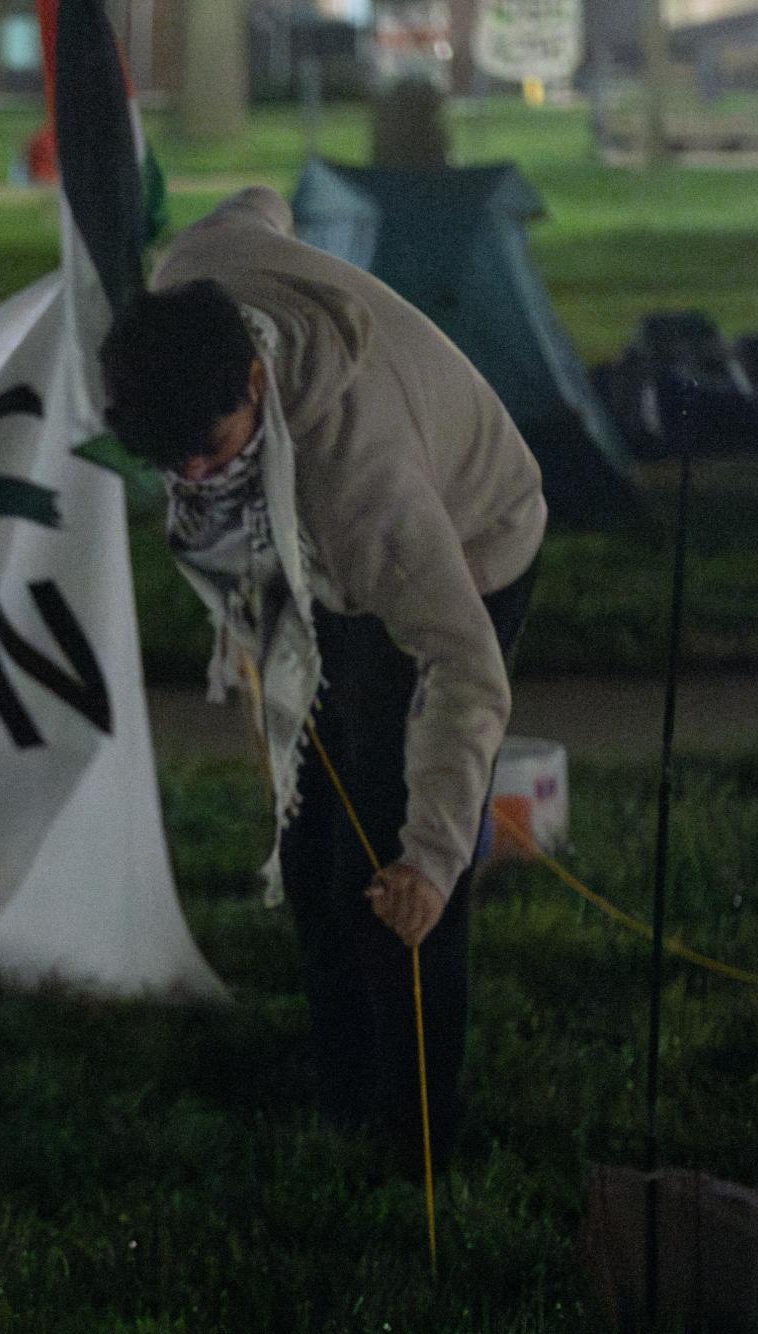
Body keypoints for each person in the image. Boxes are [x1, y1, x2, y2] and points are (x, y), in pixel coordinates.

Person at [98, 187, 545, 1167]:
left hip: (470, 536)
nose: (193, 480)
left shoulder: (362, 484)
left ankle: (418, 1136)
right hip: (324, 562)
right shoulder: (194, 276)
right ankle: (340, 1089)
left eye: (210, 454)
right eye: (169, 463)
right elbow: (257, 201)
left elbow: (467, 670)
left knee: (378, 865)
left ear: (255, 381)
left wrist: (432, 858)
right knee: (310, 848)